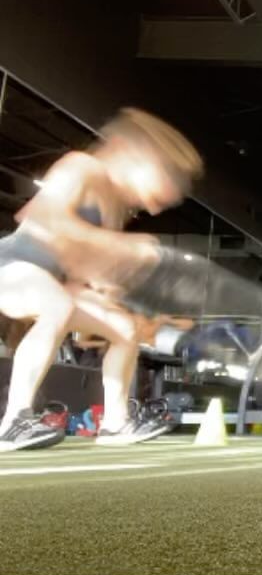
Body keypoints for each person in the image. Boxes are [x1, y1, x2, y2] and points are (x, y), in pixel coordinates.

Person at [0, 108, 203, 450]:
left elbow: (83, 272)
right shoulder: (82, 167)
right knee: (57, 305)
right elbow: (44, 218)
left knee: (124, 329)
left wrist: (120, 299)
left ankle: (115, 424)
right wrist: (118, 246)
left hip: (55, 284)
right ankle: (12, 423)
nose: (154, 207)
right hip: (12, 266)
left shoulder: (113, 208)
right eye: (163, 175)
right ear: (128, 152)